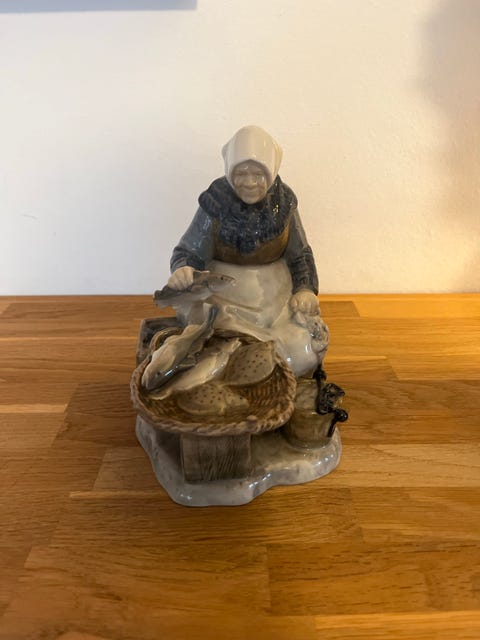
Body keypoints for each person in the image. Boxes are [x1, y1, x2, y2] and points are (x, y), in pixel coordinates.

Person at [167, 125, 328, 377]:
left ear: (272, 170)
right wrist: (184, 270)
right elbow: (189, 251)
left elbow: (300, 254)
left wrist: (305, 289)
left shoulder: (284, 203)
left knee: (301, 352)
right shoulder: (215, 203)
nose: (250, 183)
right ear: (229, 170)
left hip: (277, 296)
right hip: (225, 297)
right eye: (241, 173)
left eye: (258, 174)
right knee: (224, 348)